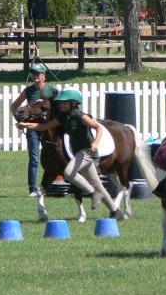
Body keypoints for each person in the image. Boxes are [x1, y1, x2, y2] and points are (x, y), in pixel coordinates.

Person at [17, 88, 124, 221]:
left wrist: (95, 143)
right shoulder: (62, 117)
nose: (61, 105)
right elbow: (44, 127)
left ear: (73, 103)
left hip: (87, 151)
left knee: (68, 173)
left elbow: (98, 127)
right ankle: (116, 212)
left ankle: (93, 193)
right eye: (60, 103)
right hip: (78, 152)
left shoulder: (80, 115)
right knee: (97, 183)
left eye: (64, 103)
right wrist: (25, 124)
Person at [11, 63, 59, 196]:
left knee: (52, 157)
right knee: (34, 159)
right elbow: (14, 106)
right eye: (33, 74)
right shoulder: (28, 91)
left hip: (48, 129)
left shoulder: (52, 90)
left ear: (44, 75)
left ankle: (51, 185)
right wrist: (21, 121)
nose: (35, 76)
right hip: (33, 129)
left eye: (38, 74)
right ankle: (32, 189)